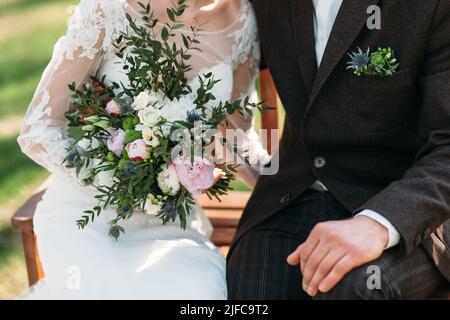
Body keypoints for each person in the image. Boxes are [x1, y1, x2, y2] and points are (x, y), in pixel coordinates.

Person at [18, 0, 269, 299]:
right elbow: (38, 129)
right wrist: (116, 184)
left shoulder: (241, 18)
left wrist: (291, 187)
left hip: (170, 223)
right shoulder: (108, 9)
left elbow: (235, 138)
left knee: (200, 294)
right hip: (88, 213)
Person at [227, 0, 450, 300]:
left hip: (409, 206)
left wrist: (379, 223)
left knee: (354, 288)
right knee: (251, 292)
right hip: (292, 195)